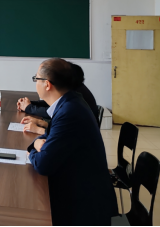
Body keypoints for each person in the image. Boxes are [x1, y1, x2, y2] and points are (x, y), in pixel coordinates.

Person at [27, 58, 117, 226]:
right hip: (82, 189)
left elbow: (43, 164)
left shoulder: (69, 112)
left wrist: (32, 152)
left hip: (85, 206)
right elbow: (50, 134)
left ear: (47, 84)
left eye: (36, 78)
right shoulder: (70, 101)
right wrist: (37, 144)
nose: (35, 82)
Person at [17, 62, 98, 126]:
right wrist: (30, 104)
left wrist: (29, 107)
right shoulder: (74, 90)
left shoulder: (72, 100)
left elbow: (53, 112)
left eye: (37, 78)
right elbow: (54, 105)